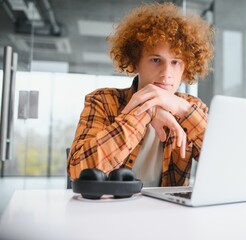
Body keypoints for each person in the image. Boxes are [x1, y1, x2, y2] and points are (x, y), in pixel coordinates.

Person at [67, 2, 215, 187]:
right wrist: (146, 112)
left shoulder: (192, 107)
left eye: (176, 62)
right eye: (155, 60)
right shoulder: (103, 101)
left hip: (169, 213)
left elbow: (226, 166)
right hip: (110, 210)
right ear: (136, 62)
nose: (166, 73)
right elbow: (78, 170)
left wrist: (184, 110)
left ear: (186, 67)